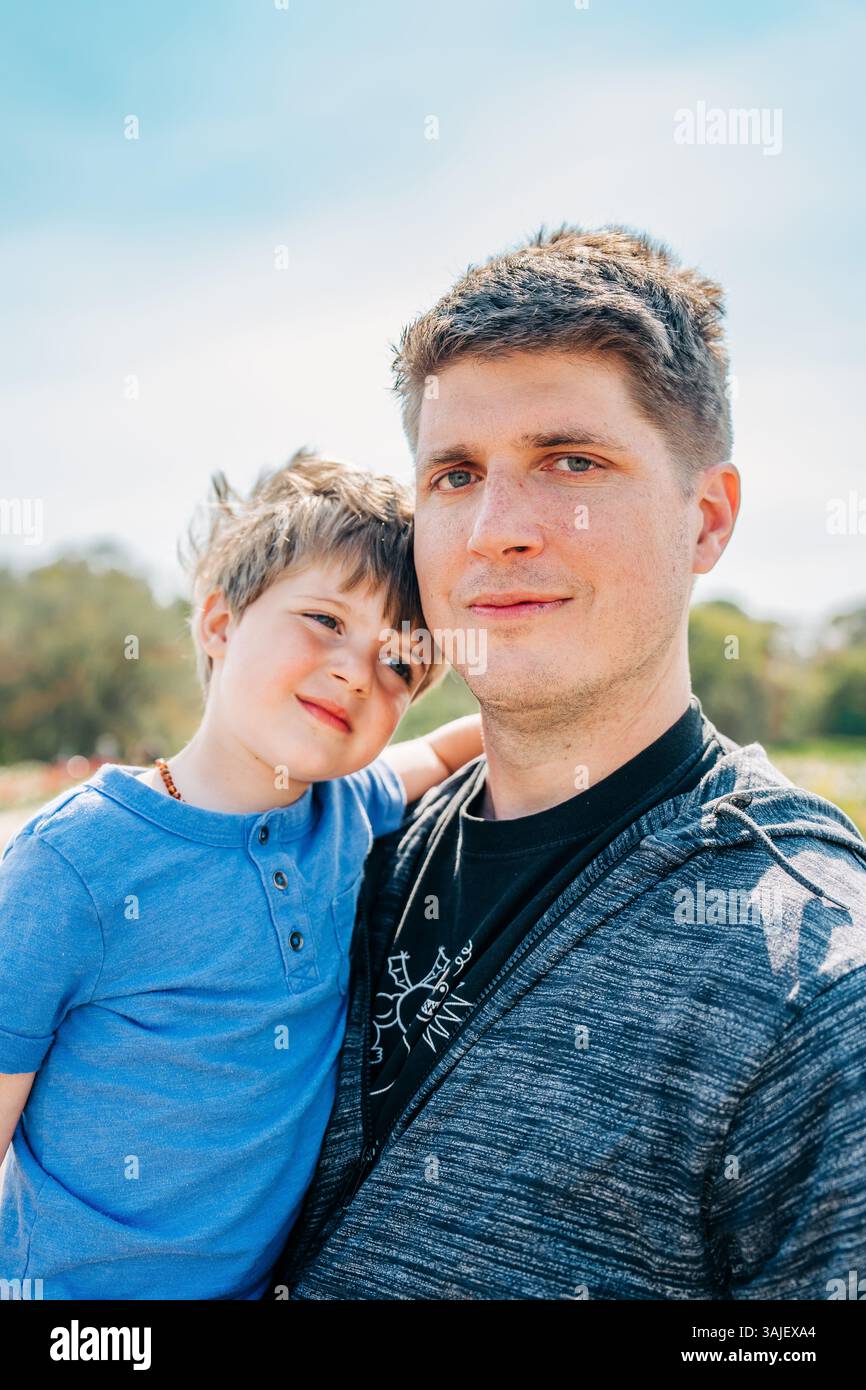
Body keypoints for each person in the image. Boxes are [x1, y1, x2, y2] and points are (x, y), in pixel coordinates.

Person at [272, 226, 866, 1300]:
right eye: (455, 475)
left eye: (571, 462)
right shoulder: (342, 858)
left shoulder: (820, 985)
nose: (494, 531)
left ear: (707, 518)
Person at [0, 453, 482, 1298]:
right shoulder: (73, 864)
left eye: (400, 665)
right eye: (325, 620)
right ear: (220, 622)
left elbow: (443, 753)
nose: (356, 671)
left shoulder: (346, 807)